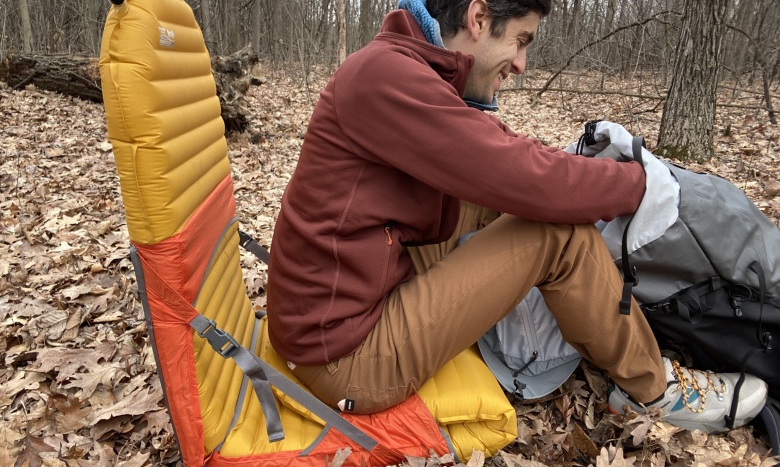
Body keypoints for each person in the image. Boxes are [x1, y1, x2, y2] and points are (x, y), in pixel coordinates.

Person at [266, 0, 768, 433]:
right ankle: (653, 390)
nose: (523, 63)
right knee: (556, 233)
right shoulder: (384, 75)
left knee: (513, 200)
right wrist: (642, 186)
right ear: (479, 17)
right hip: (345, 356)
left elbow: (501, 156)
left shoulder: (408, 68)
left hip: (356, 293)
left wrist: (572, 175)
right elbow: (521, 175)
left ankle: (601, 319)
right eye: (521, 40)